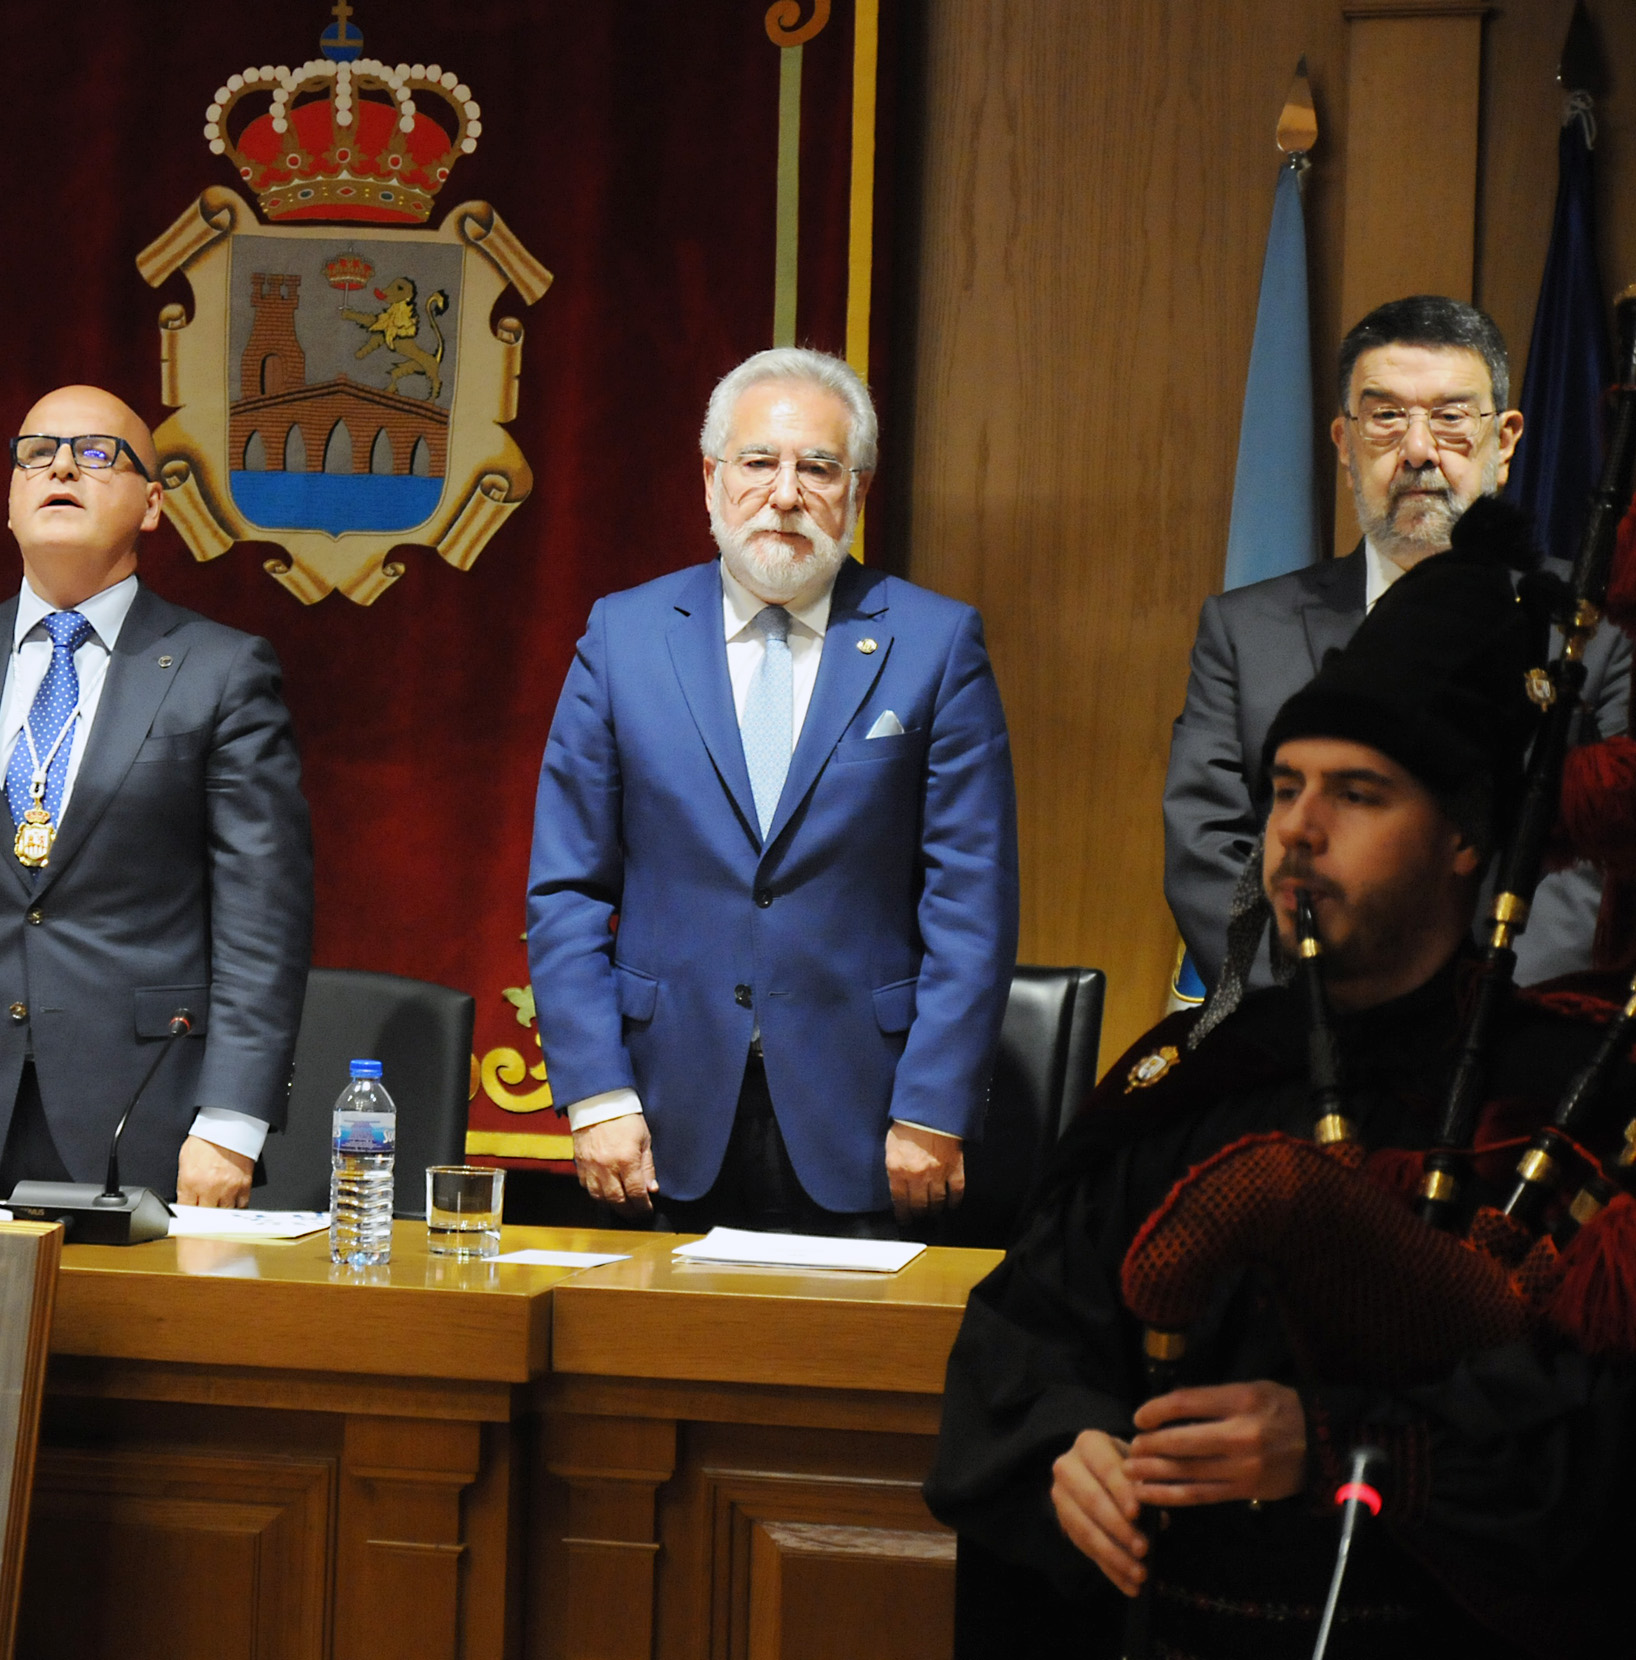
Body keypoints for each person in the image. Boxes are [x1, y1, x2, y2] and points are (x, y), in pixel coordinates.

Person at [928, 512, 1636, 1658]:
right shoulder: (1190, 1078)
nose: (1296, 832)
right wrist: (1068, 1446)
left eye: (1356, 794)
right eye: (1283, 788)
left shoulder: (1567, 1105)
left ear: (1463, 839)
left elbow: (1594, 1452)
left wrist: (1336, 1446)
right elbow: (1025, 1335)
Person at [526, 347, 1019, 1235]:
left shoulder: (935, 643)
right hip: (657, 1118)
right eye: (759, 463)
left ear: (857, 494)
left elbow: (971, 900)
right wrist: (596, 1092)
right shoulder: (624, 634)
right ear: (712, 479)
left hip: (870, 1122)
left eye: (818, 468)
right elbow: (566, 889)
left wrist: (935, 1106)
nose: (786, 494)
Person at [0, 384, 313, 1206]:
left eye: (97, 452)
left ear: (152, 504)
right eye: (37, 452)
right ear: (10, 499)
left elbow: (265, 922)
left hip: (153, 1117)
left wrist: (230, 1124)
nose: (63, 468)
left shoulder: (221, 671)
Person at [1165, 295, 1630, 994]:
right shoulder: (1244, 632)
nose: (1418, 450)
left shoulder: (1597, 627)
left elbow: (1607, 855)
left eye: (1449, 418)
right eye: (1386, 417)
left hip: (1516, 1045)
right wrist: (1328, 1014)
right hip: (1296, 1039)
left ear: (1504, 443)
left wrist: (1482, 1025)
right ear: (1344, 444)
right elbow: (1208, 851)